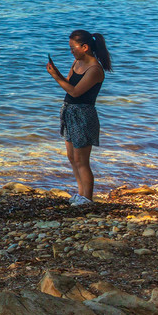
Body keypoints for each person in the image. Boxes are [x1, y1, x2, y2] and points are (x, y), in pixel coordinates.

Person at [47, 30, 111, 205]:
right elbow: (68, 82)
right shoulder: (77, 61)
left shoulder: (94, 69)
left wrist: (54, 77)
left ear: (85, 47)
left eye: (72, 48)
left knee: (81, 160)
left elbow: (75, 92)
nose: (71, 51)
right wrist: (57, 73)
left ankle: (87, 198)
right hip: (69, 112)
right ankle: (80, 193)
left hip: (83, 115)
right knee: (71, 157)